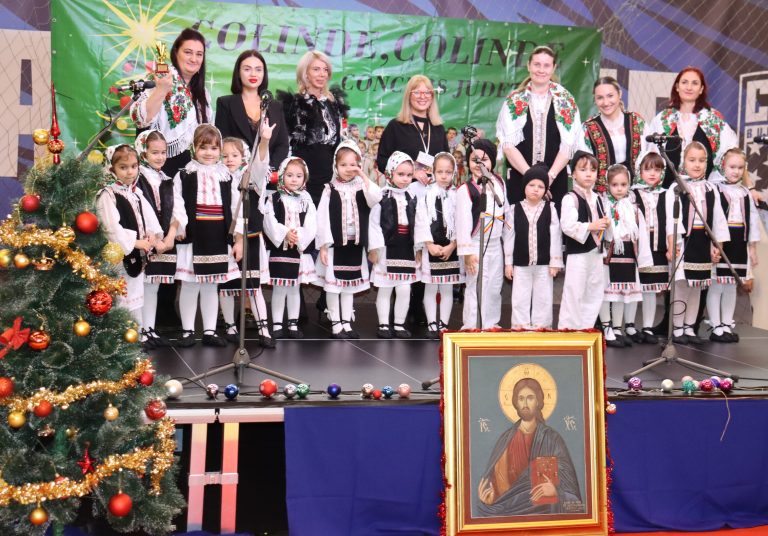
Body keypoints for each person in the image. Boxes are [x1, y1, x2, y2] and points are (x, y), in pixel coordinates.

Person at [173, 124, 241, 347]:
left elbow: (235, 207)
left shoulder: (227, 176)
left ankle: (210, 331)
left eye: (214, 148)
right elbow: (177, 203)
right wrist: (180, 227)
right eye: (203, 147)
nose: (209, 153)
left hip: (218, 234)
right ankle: (187, 331)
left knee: (211, 285)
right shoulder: (184, 174)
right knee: (190, 284)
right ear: (194, 148)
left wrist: (238, 237)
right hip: (194, 233)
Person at [477, 378, 582, 516]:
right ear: (515, 402)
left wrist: (556, 492)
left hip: (543, 513)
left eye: (530, 398)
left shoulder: (552, 439)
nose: (525, 404)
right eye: (521, 398)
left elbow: (574, 498)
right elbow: (497, 488)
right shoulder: (505, 440)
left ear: (538, 401)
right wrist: (490, 500)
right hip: (507, 514)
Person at [497, 45, 581, 206]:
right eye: (537, 64)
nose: (541, 70)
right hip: (520, 180)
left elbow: (568, 144)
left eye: (546, 65)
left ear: (553, 68)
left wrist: (548, 178)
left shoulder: (566, 101)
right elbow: (508, 146)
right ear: (528, 66)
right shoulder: (514, 100)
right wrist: (532, 179)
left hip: (554, 182)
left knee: (552, 221)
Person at [315, 139, 382, 338]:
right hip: (335, 246)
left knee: (349, 287)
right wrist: (324, 246)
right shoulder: (329, 189)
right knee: (334, 287)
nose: (348, 169)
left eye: (353, 164)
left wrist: (363, 175)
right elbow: (322, 218)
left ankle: (346, 322)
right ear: (335, 166)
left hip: (355, 245)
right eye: (343, 164)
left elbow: (376, 197)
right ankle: (336, 323)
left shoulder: (363, 187)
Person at [665, 141, 729, 344]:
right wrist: (672, 244)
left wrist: (718, 246)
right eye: (692, 160)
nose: (697, 164)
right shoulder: (676, 188)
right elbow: (671, 219)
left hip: (703, 242)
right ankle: (677, 328)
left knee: (697, 286)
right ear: (684, 161)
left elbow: (718, 220)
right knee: (682, 285)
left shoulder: (711, 188)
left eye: (702, 160)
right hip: (684, 241)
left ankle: (689, 327)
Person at [96, 145, 163, 331]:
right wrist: (135, 242)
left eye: (134, 166)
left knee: (135, 300)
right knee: (121, 299)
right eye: (123, 167)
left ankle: (135, 337)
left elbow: (148, 218)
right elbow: (111, 228)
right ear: (112, 169)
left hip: (136, 259)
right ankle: (121, 338)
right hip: (118, 259)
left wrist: (151, 234)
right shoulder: (108, 195)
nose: (130, 172)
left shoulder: (135, 193)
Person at [217, 135, 275, 348]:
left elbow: (261, 164)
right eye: (224, 156)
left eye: (234, 155)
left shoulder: (251, 176)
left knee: (253, 286)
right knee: (225, 286)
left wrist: (264, 141)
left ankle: (264, 330)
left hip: (249, 237)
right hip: (225, 238)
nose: (229, 159)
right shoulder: (218, 177)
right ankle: (230, 327)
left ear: (244, 157)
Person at [130, 28, 211, 177]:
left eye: (199, 54)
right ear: (176, 53)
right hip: (157, 166)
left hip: (190, 170)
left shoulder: (203, 93)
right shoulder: (160, 78)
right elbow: (140, 119)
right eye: (188, 52)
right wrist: (161, 90)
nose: (194, 59)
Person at [133, 130, 186, 349]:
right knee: (142, 286)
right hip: (146, 240)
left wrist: (171, 236)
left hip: (165, 241)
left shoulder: (166, 179)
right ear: (143, 153)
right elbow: (141, 211)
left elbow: (178, 209)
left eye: (163, 152)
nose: (160, 157)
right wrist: (155, 240)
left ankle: (150, 328)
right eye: (155, 152)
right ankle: (138, 332)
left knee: (154, 285)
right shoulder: (138, 178)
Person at [645, 67, 737, 187]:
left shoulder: (713, 119)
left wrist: (750, 187)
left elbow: (732, 154)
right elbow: (651, 156)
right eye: (684, 82)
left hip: (704, 191)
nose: (689, 87)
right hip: (667, 190)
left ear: (701, 89)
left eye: (694, 83)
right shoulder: (662, 119)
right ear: (677, 87)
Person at [278, 50, 349, 207]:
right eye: (316, 69)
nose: (322, 74)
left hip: (330, 177)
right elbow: (286, 143)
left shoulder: (334, 104)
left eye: (325, 70)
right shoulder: (293, 105)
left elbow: (340, 140)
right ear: (305, 73)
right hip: (302, 178)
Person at [368, 152, 426, 339]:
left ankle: (399, 324)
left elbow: (419, 224)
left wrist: (418, 248)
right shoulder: (381, 196)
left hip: (406, 247)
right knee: (385, 288)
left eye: (409, 175)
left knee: (404, 289)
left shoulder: (412, 196)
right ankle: (384, 324)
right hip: (386, 247)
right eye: (400, 174)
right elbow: (374, 224)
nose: (405, 179)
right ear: (390, 173)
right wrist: (374, 248)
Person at [707, 148, 760, 342]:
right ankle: (716, 326)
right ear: (723, 166)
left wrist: (752, 248)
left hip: (739, 240)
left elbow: (752, 221)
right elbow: (712, 219)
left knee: (730, 284)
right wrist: (713, 243)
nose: (736, 171)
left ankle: (726, 324)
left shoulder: (745, 192)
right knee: (716, 284)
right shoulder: (716, 189)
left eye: (740, 168)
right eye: (732, 167)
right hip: (722, 239)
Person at [263, 156, 317, 339]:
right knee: (280, 288)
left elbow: (311, 223)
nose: (294, 179)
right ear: (281, 176)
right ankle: (277, 324)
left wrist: (298, 236)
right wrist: (285, 233)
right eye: (290, 175)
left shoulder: (306, 199)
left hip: (298, 251)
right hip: (280, 250)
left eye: (299, 176)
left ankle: (293, 323)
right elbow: (269, 221)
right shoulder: (273, 198)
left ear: (305, 178)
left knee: (294, 288)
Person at [455, 138, 507, 329]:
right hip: (476, 244)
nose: (479, 164)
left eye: (484, 159)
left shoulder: (499, 182)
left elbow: (506, 212)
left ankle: (491, 323)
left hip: (495, 244)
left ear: (492, 161)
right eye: (474, 160)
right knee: (476, 285)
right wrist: (467, 253)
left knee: (494, 286)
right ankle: (472, 325)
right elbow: (462, 224)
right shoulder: (465, 190)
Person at [503, 165, 563, 329]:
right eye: (532, 185)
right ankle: (520, 327)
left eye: (541, 186)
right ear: (524, 187)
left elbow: (556, 236)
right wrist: (508, 263)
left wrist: (555, 262)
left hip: (544, 264)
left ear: (545, 190)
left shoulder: (550, 209)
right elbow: (509, 237)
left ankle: (541, 327)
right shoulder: (514, 209)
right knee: (520, 296)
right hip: (520, 263)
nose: (536, 189)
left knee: (543, 297)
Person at [598, 165, 651, 347]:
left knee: (621, 292)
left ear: (629, 184)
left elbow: (641, 234)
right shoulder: (603, 205)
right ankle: (606, 327)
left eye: (623, 184)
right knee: (606, 293)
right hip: (608, 256)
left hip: (627, 254)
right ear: (607, 185)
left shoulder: (634, 209)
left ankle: (617, 328)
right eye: (615, 185)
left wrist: (644, 259)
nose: (619, 189)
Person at [558, 151, 610, 330]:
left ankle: (586, 329)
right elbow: (567, 225)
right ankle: (568, 332)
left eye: (593, 170)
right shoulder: (570, 198)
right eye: (583, 170)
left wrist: (607, 224)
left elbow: (604, 226)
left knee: (594, 292)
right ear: (573, 174)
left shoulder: (598, 198)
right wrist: (590, 226)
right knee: (574, 292)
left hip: (596, 253)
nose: (589, 174)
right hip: (578, 253)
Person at [215, 50, 289, 171]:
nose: (253, 74)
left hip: (268, 175)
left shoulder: (275, 106)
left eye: (258, 69)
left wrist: (266, 171)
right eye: (247, 69)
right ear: (238, 73)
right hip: (236, 174)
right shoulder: (225, 103)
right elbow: (223, 141)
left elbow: (282, 145)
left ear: (264, 74)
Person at [415, 152, 464, 338]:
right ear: (433, 172)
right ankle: (431, 323)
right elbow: (421, 221)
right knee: (430, 287)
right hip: (431, 248)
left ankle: (443, 324)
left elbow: (462, 222)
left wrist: (453, 245)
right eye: (440, 172)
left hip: (451, 248)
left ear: (454, 173)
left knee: (447, 288)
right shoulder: (426, 194)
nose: (444, 176)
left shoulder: (458, 195)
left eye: (448, 172)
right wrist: (429, 245)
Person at [376, 75, 449, 191]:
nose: (422, 96)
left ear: (432, 97)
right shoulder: (395, 126)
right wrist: (411, 173)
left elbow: (446, 162)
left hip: (433, 192)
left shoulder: (438, 128)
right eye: (417, 92)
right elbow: (382, 161)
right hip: (403, 193)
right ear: (408, 96)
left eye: (427, 92)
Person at [628, 152, 669, 344]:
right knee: (633, 287)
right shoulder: (632, 194)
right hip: (637, 247)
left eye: (657, 169)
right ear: (639, 171)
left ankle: (647, 327)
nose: (653, 173)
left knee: (651, 289)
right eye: (647, 169)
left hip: (658, 246)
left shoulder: (666, 194)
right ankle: (629, 326)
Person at [579, 77, 645, 193]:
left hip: (635, 192)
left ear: (619, 94)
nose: (606, 102)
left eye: (610, 96)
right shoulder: (587, 128)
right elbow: (583, 166)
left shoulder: (636, 121)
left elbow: (649, 156)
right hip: (601, 194)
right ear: (595, 100)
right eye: (600, 98)